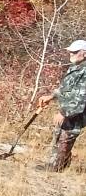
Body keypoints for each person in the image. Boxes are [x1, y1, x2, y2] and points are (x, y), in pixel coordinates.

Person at [37, 39, 86, 172]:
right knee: (59, 135)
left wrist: (64, 112)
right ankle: (57, 164)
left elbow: (81, 98)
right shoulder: (76, 67)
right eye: (70, 52)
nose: (71, 54)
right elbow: (65, 88)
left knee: (66, 138)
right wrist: (51, 96)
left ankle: (56, 168)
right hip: (69, 110)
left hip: (76, 113)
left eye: (74, 52)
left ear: (84, 53)